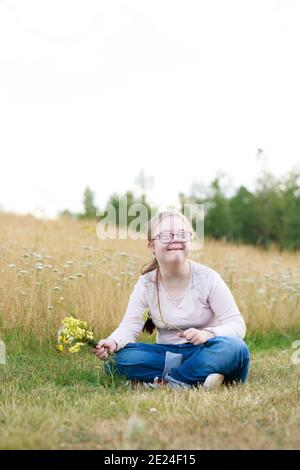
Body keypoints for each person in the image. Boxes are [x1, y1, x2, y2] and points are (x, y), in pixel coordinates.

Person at [93, 211, 250, 390]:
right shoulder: (146, 284)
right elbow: (130, 327)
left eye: (183, 235)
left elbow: (237, 325)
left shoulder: (208, 278)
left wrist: (208, 334)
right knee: (119, 359)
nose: (176, 239)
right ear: (151, 245)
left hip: (205, 350)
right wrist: (113, 342)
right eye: (166, 235)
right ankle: (198, 378)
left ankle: (168, 382)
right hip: (167, 354)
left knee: (235, 348)